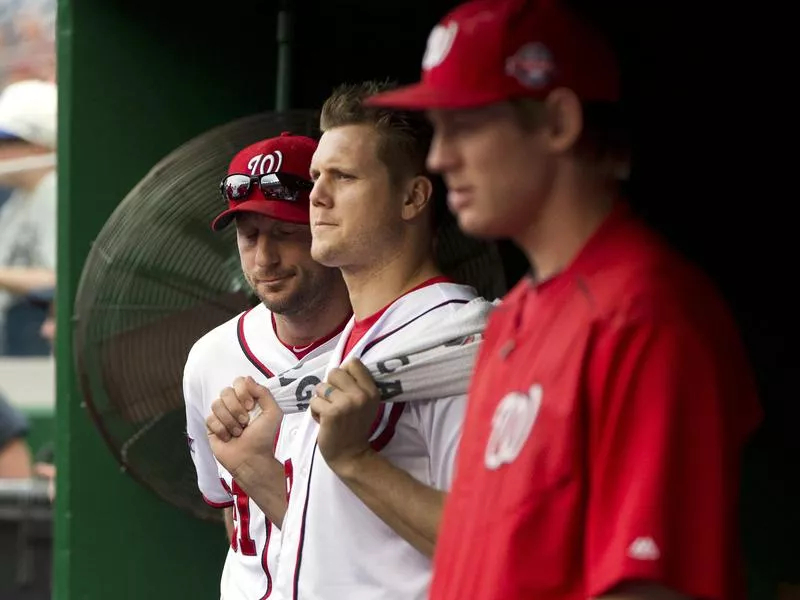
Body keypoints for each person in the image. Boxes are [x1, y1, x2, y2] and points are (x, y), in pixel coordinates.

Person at [366, 1, 763, 599]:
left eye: (465, 124)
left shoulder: (647, 311)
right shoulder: (512, 317)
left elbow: (652, 587)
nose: (439, 156)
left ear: (557, 122)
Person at [207, 81, 500, 600]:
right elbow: (347, 550)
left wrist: (355, 460)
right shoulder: (351, 344)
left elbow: (488, 547)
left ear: (412, 197)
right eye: (317, 175)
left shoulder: (455, 341)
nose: (316, 195)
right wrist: (256, 467)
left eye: (343, 177)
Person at [183, 133, 352, 600]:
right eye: (249, 235)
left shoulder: (387, 341)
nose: (264, 258)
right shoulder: (209, 357)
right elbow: (229, 508)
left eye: (285, 233)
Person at [0, 79, 57, 355]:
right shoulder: (19, 197)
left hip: (39, 340)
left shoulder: (54, 188)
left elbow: (58, 281)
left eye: (6, 140)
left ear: (39, 146)